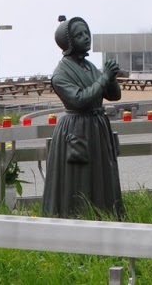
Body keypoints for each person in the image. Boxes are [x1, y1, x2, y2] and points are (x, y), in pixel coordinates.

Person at [41, 16, 124, 218]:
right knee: (78, 178)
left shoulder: (89, 67)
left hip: (96, 127)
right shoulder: (60, 74)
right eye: (79, 35)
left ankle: (104, 213)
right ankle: (76, 217)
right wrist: (104, 78)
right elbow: (79, 99)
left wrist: (110, 78)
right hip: (77, 129)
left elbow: (113, 95)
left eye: (86, 33)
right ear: (68, 42)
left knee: (101, 175)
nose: (86, 37)